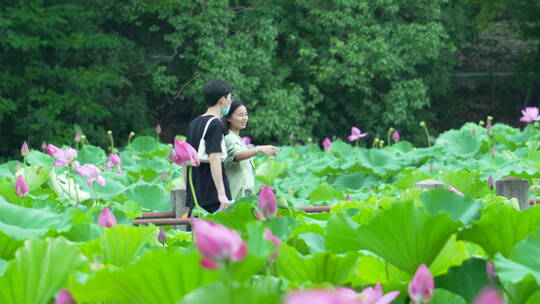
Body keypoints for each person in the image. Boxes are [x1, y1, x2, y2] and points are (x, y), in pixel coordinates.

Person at [185, 79, 233, 213]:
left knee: (195, 233)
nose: (231, 101)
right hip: (212, 195)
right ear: (222, 100)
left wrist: (187, 193)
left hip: (195, 194)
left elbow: (185, 161)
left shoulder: (194, 123)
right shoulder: (215, 124)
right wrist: (222, 194)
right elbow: (215, 158)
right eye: (229, 98)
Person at [223, 100, 278, 200]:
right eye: (240, 115)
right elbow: (237, 155)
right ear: (229, 118)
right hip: (236, 196)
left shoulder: (239, 139)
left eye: (246, 114)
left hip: (246, 194)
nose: (245, 118)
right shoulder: (229, 138)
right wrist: (258, 149)